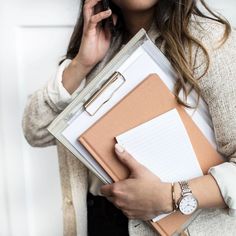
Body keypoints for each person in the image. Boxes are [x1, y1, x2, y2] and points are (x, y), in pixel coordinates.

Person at [23, 0, 236, 235]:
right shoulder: (98, 45)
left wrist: (170, 197)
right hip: (99, 221)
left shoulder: (211, 43)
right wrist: (81, 64)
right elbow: (36, 131)